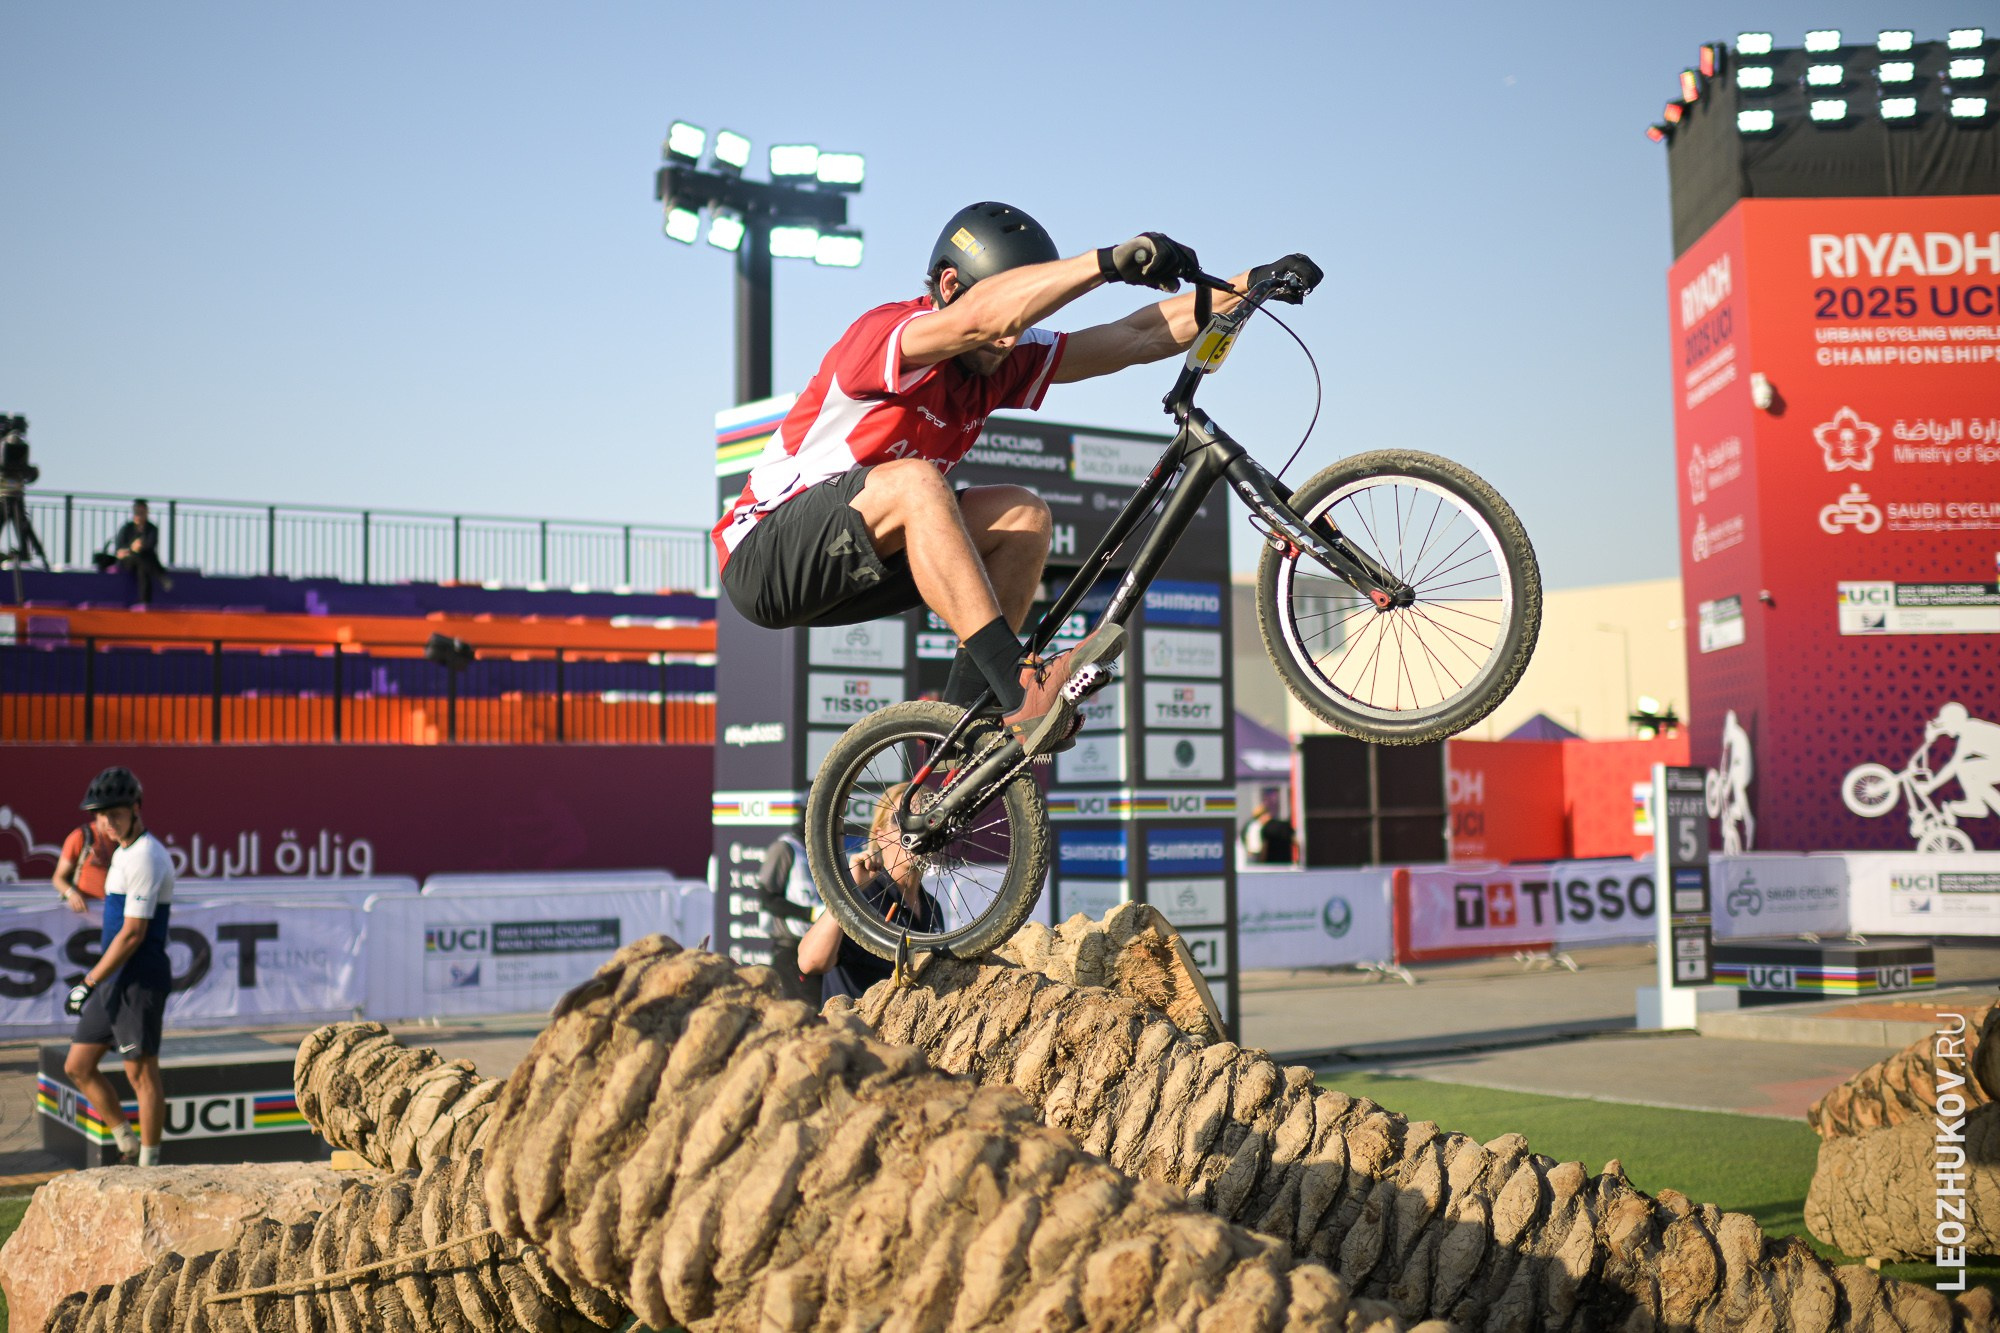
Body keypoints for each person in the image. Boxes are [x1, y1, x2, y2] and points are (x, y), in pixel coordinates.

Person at [714, 201, 1319, 758]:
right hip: (765, 556)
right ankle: (1020, 689)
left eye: (1026, 321)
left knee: (1023, 517)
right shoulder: (889, 334)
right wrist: (1109, 262)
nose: (1011, 340)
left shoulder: (1000, 358)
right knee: (918, 483)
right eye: (1012, 315)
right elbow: (981, 321)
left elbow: (1137, 337)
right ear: (950, 285)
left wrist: (1248, 286)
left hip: (861, 556)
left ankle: (952, 751)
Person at [61, 767, 174, 1165]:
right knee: (78, 1065)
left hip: (139, 980)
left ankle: (149, 1163)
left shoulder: (146, 854)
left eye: (115, 813)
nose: (106, 822)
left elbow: (132, 934)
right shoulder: (123, 851)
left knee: (141, 1074)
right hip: (113, 979)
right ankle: (127, 1143)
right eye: (100, 814)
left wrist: (88, 981)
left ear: (136, 809)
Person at [798, 784, 942, 1004]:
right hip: (853, 1032)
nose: (917, 827)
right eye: (903, 819)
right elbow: (810, 962)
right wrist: (850, 890)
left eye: (928, 818)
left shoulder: (932, 906)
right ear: (880, 835)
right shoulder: (865, 894)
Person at [1923, 702, 2000, 825]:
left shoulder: (1970, 733)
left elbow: (1953, 766)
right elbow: (1950, 726)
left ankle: (1976, 805)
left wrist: (1930, 786)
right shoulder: (1969, 726)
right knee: (1978, 783)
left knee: (1964, 769)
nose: (1947, 730)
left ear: (1954, 722)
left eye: (1946, 724)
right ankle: (1977, 804)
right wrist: (1936, 731)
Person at [110, 499, 172, 603]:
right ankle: (161, 577)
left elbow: (151, 545)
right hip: (128, 560)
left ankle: (144, 602)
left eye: (142, 512)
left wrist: (140, 547)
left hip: (144, 560)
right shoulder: (126, 528)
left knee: (143, 566)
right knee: (141, 558)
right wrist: (132, 548)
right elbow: (119, 550)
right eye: (138, 512)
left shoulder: (152, 528)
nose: (140, 514)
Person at [51, 812, 115, 912]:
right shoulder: (82, 836)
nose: (109, 821)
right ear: (97, 814)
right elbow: (58, 878)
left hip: (114, 912)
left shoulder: (123, 840)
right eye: (104, 814)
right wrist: (71, 894)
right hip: (85, 915)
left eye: (116, 815)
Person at [1241, 788, 1296, 865]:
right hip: (1286, 860)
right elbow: (1294, 841)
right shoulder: (1284, 825)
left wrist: (1261, 860)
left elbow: (1264, 846)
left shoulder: (1263, 828)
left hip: (1267, 859)